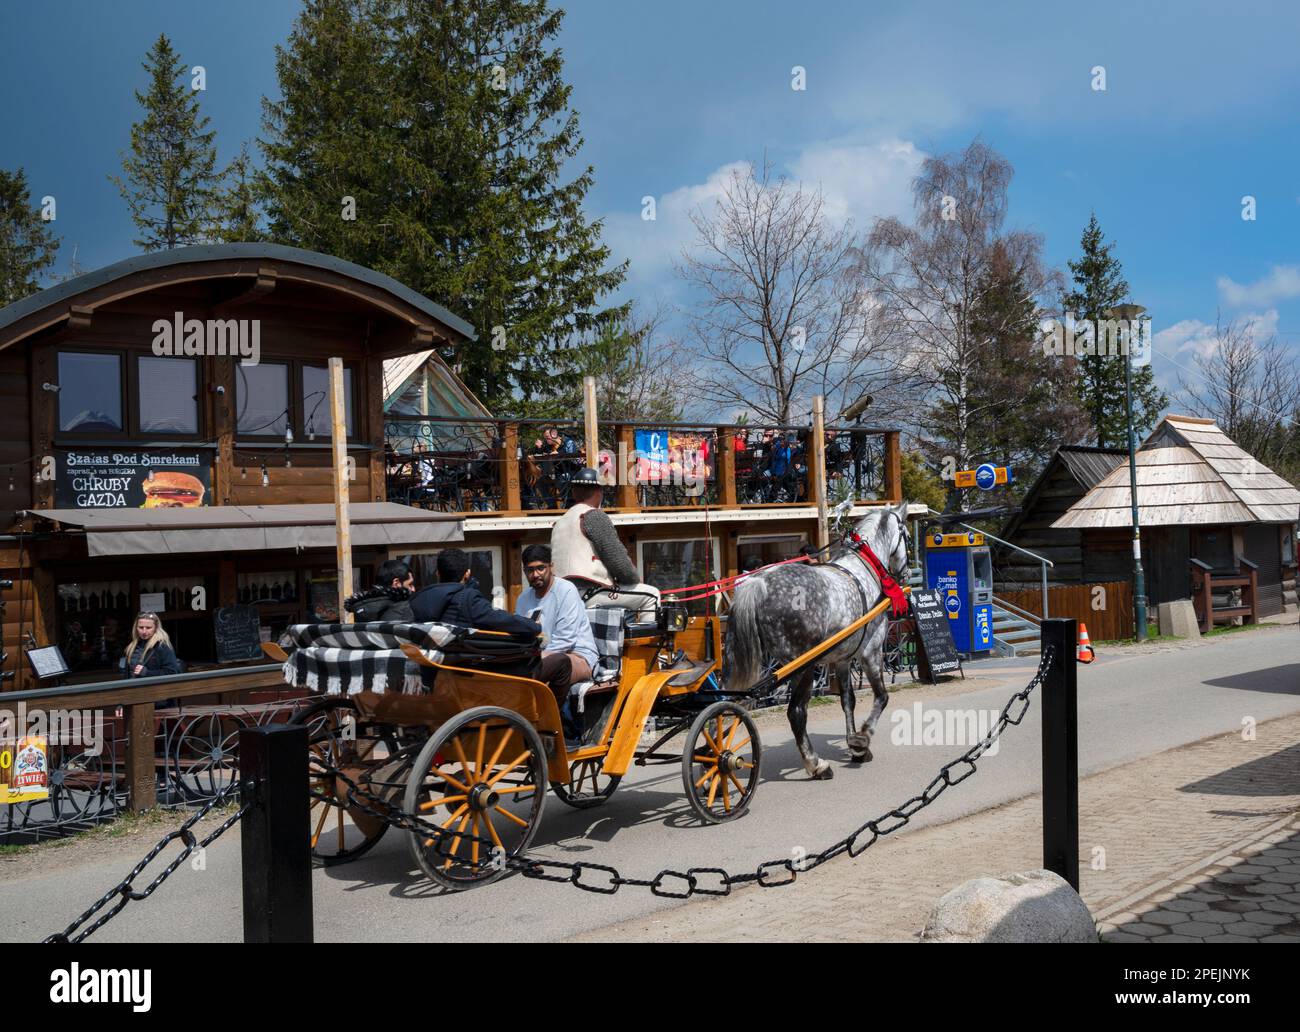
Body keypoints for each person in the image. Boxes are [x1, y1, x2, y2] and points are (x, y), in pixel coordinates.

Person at [514, 544, 599, 741]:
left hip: (578, 656)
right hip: (541, 658)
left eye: (540, 568)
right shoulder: (523, 598)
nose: (535, 574)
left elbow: (565, 641)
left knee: (556, 662)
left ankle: (550, 723)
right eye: (530, 570)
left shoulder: (566, 590)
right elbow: (520, 636)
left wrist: (534, 660)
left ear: (551, 566)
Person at [551, 467, 661, 615]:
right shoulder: (593, 515)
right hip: (588, 594)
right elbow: (618, 561)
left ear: (573, 492)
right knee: (651, 595)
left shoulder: (560, 522)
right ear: (599, 492)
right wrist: (633, 579)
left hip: (561, 597)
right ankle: (643, 639)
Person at [411, 548, 541, 636]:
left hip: (429, 668)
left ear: (438, 574)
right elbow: (500, 620)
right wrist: (533, 626)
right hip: (461, 668)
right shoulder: (466, 598)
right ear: (467, 573)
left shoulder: (418, 600)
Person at [344, 559, 416, 622]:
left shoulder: (361, 608)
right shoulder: (402, 608)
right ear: (396, 583)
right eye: (410, 584)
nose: (413, 589)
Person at [122, 613, 181, 679]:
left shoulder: (162, 646)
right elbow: (128, 674)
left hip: (153, 688)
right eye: (141, 627)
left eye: (148, 628)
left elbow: (172, 672)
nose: (144, 631)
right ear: (136, 628)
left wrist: (147, 673)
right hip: (132, 687)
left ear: (156, 628)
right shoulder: (132, 646)